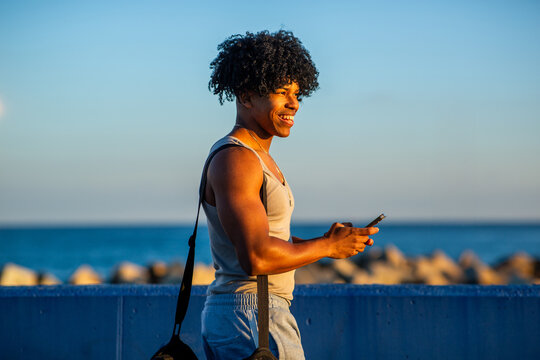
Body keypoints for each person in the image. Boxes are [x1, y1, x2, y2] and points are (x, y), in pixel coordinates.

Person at [201, 30, 379, 360]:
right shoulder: (238, 159)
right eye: (282, 92)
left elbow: (262, 238)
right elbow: (255, 257)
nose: (294, 103)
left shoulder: (252, 157)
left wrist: (325, 241)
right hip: (255, 315)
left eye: (297, 93)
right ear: (246, 95)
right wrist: (327, 248)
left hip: (248, 314)